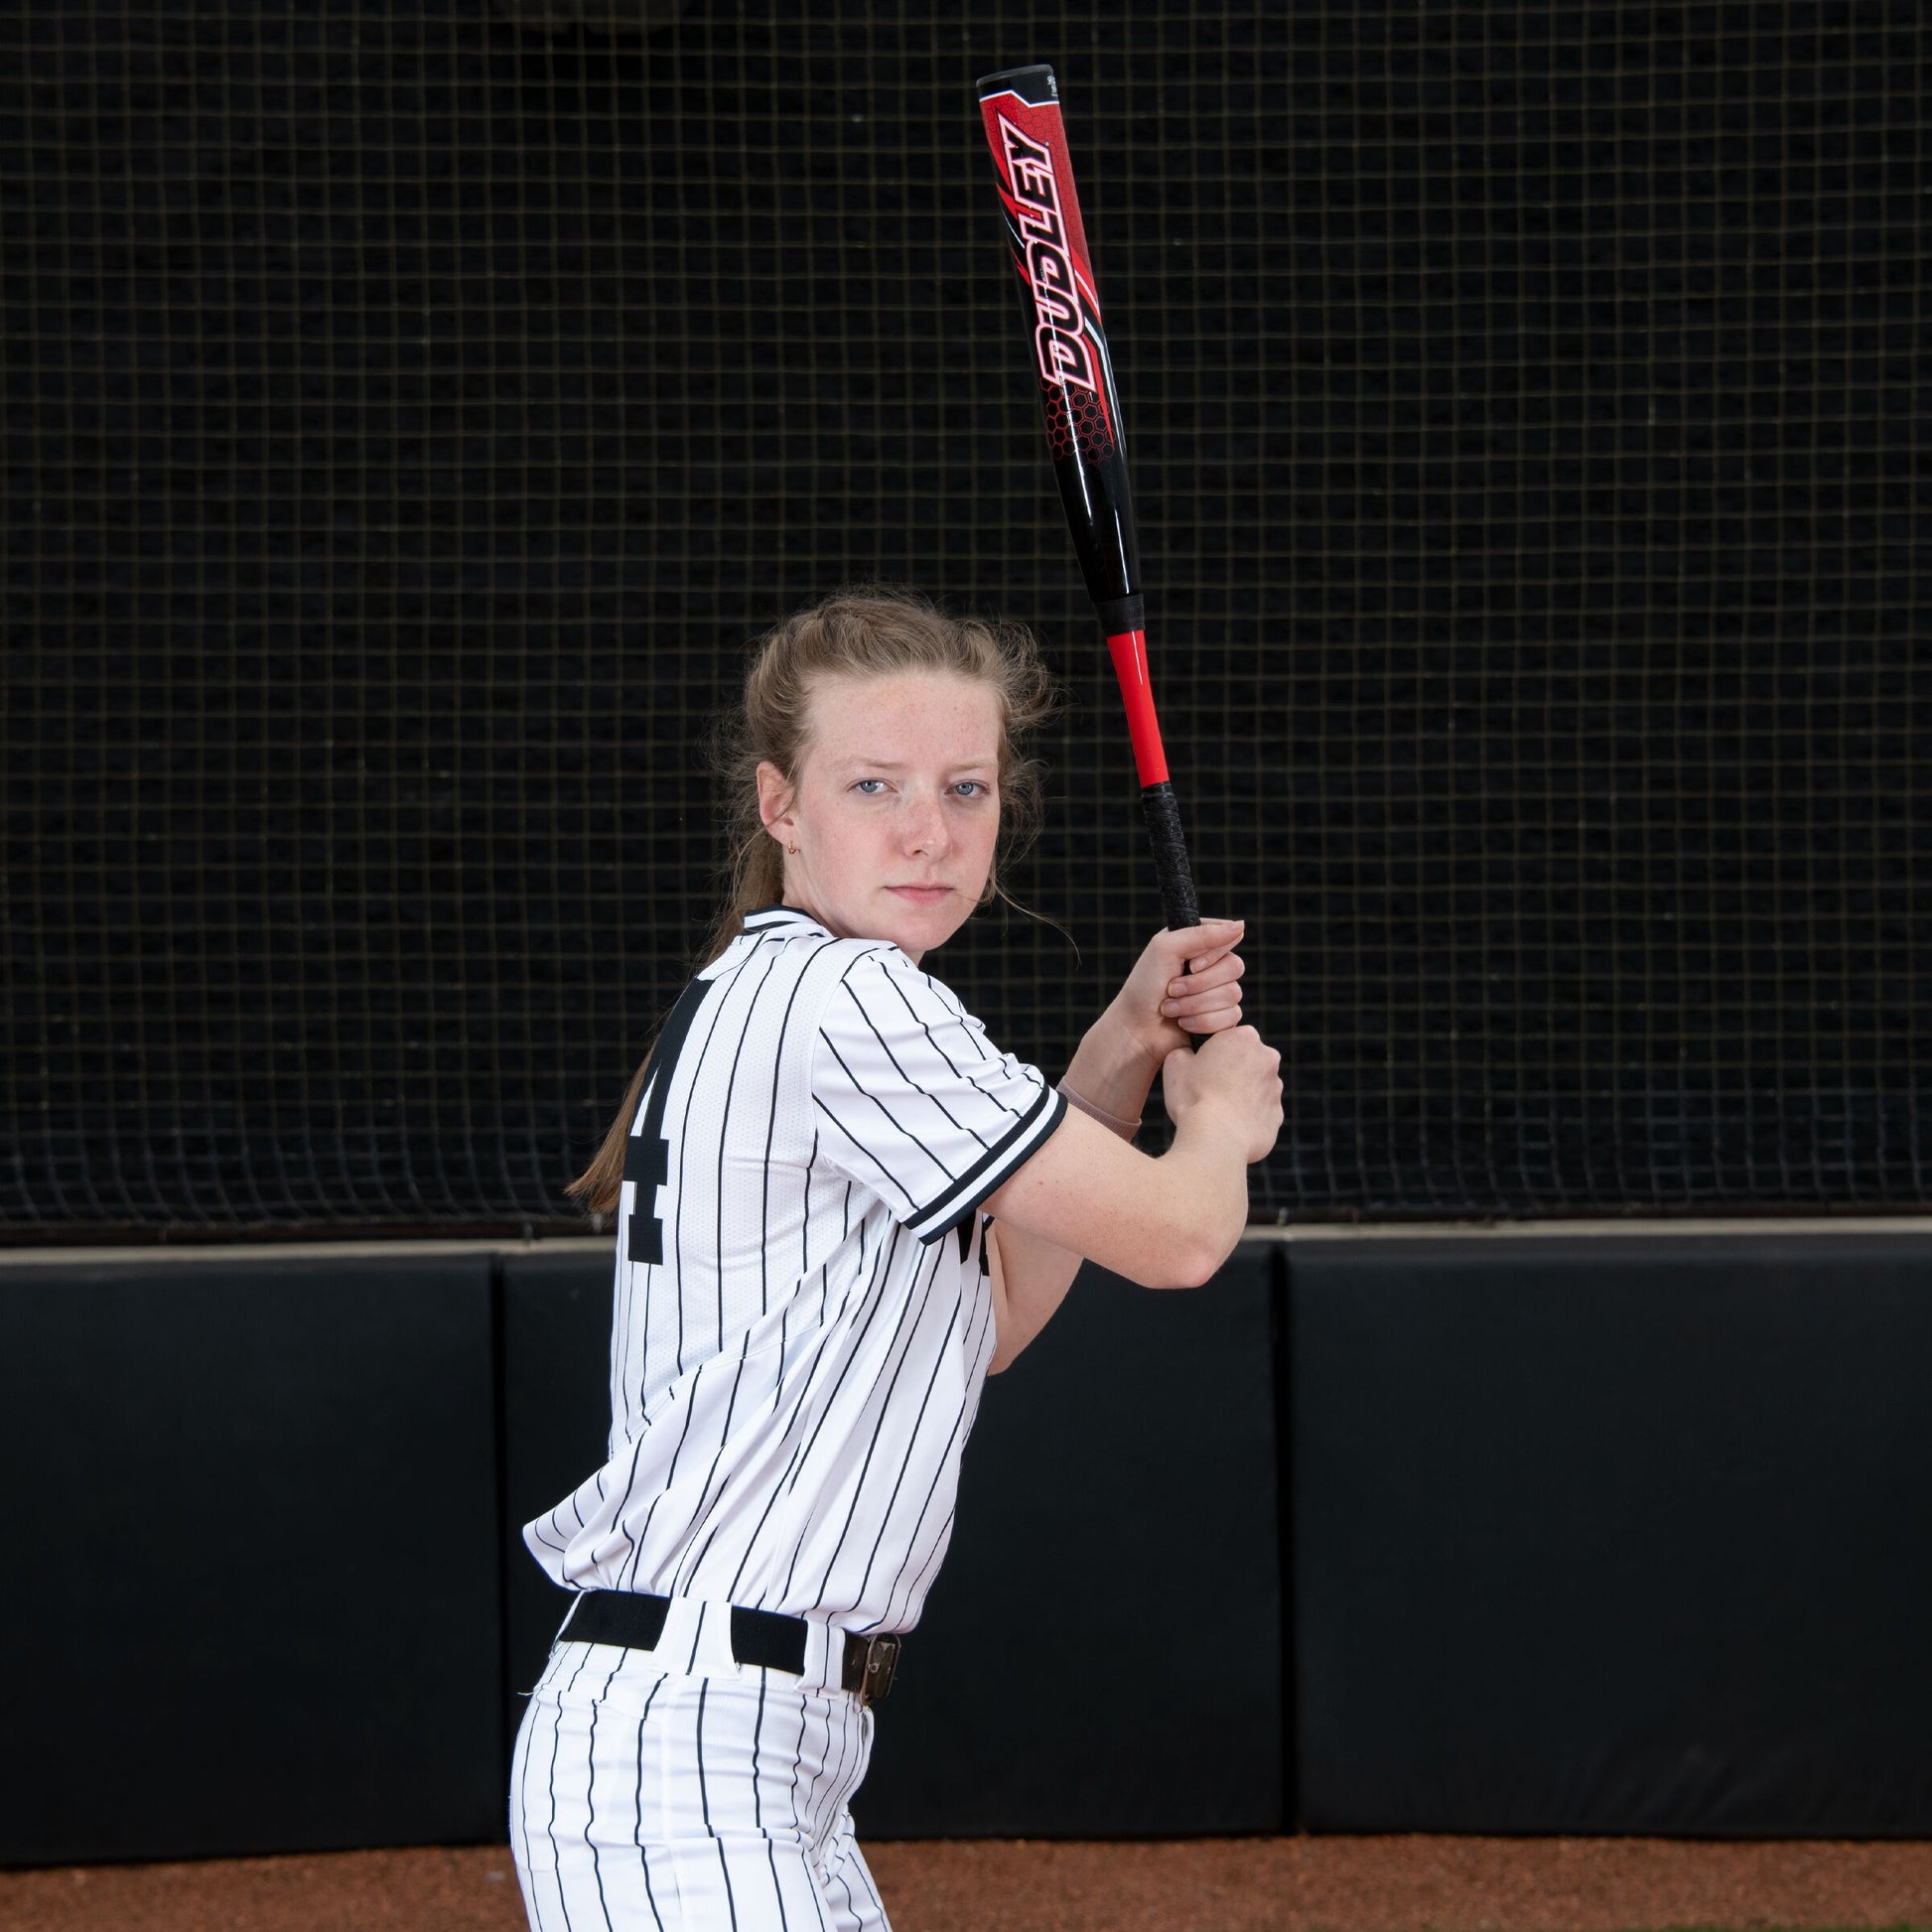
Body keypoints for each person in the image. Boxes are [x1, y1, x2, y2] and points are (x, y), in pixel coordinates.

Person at [508, 588, 1282, 1932]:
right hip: (688, 1748)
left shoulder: (788, 987)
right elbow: (1181, 1233)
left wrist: (1122, 1039)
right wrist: (1217, 1125)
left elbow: (987, 1317)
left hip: (751, 1750)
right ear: (780, 805)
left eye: (964, 787)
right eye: (875, 784)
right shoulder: (849, 998)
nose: (929, 830)